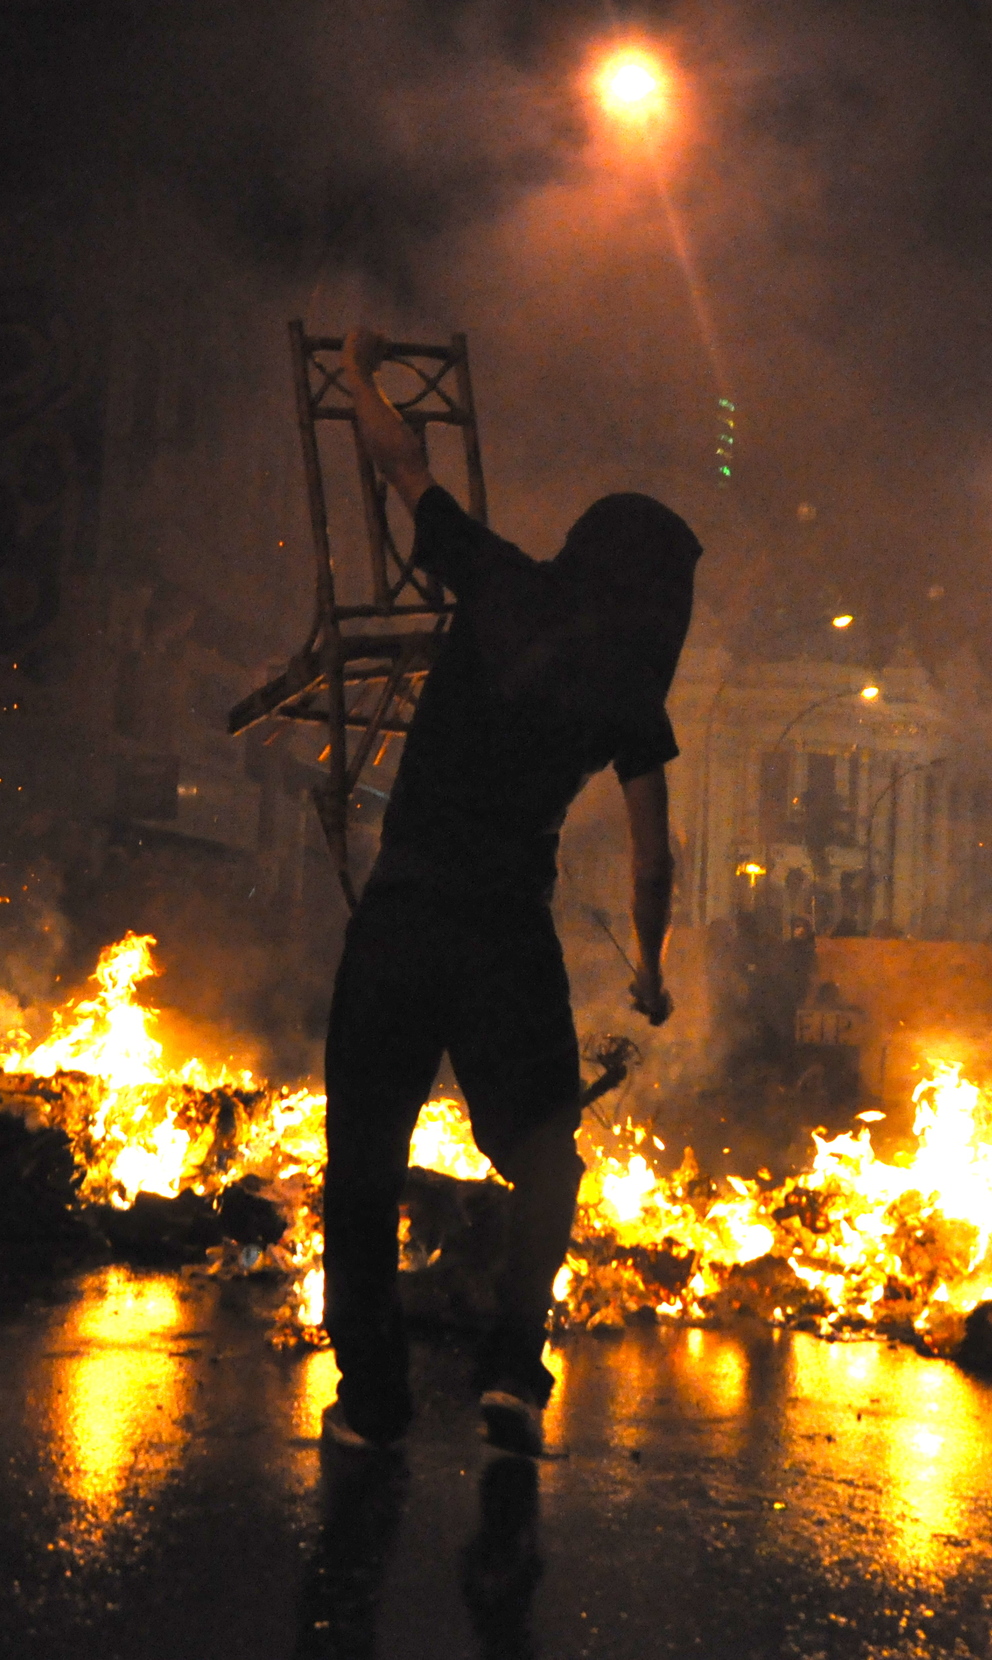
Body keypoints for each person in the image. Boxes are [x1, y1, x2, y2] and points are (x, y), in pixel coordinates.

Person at [319, 326, 698, 1458]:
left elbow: (399, 467)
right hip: (501, 936)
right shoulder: (631, 692)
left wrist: (358, 377)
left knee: (364, 1154)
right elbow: (652, 859)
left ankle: (371, 1398)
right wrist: (652, 969)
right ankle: (509, 1378)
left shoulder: (494, 582)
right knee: (544, 1160)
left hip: (401, 915)